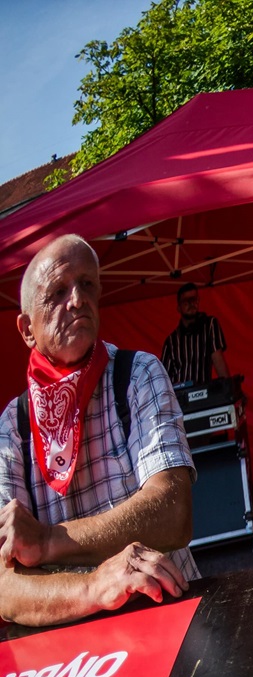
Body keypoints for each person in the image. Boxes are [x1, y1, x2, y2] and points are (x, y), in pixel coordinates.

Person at [0, 235, 196, 627]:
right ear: (26, 330)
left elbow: (174, 511)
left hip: (167, 615)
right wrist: (94, 587)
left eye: (87, 284)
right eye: (57, 291)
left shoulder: (137, 373)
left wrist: (44, 542)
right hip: (76, 647)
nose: (77, 300)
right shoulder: (12, 425)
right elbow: (5, 587)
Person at [161, 282, 231, 386]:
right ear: (179, 307)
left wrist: (228, 390)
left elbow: (218, 361)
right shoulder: (171, 341)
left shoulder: (209, 325)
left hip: (203, 394)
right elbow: (163, 377)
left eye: (194, 299)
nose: (191, 304)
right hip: (179, 398)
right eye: (186, 301)